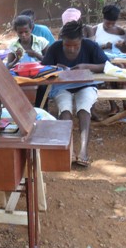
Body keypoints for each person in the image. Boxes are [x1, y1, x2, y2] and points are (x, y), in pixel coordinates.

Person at [42, 20, 108, 167]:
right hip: (62, 86)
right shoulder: (55, 47)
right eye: (67, 45)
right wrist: (54, 67)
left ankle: (83, 151)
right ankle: (69, 150)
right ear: (62, 40)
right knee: (65, 109)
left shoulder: (90, 46)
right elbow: (44, 68)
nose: (71, 49)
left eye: (76, 46)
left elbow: (106, 65)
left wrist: (86, 66)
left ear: (81, 40)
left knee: (84, 109)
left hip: (86, 85)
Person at [90, 5, 126, 115]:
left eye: (113, 23)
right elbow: (90, 47)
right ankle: (113, 105)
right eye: (108, 23)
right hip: (101, 62)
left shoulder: (120, 32)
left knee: (120, 71)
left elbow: (124, 50)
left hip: (117, 61)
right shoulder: (95, 30)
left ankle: (125, 103)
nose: (110, 26)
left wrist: (121, 45)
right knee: (107, 73)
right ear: (103, 18)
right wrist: (104, 46)